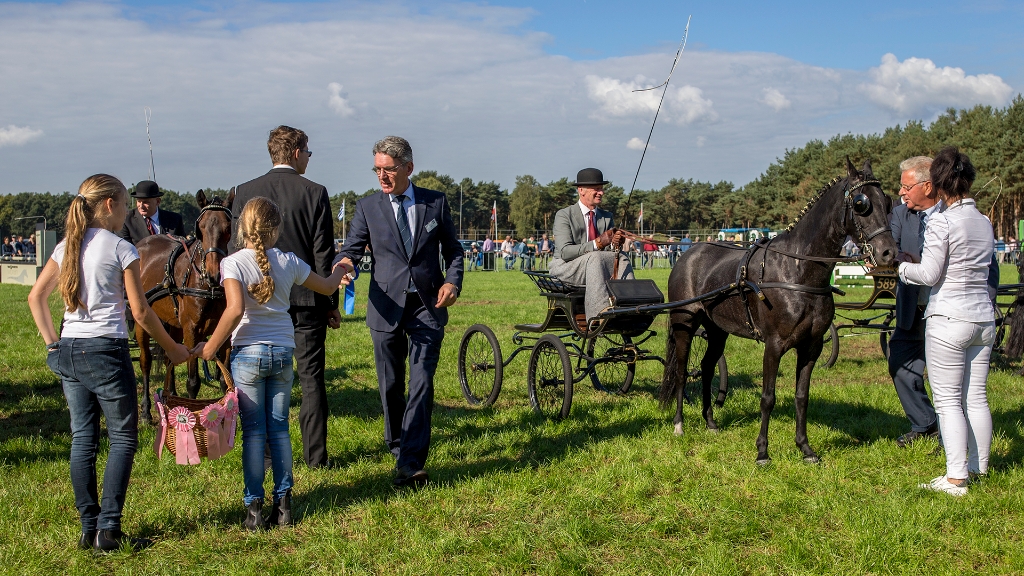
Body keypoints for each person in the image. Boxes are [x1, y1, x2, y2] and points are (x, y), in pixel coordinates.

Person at [27, 174, 191, 552]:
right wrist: (173, 348)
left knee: (83, 439)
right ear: (109, 204)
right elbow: (141, 312)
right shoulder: (120, 247)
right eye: (124, 205)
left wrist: (53, 346)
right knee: (122, 438)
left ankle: (89, 528)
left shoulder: (66, 246)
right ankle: (109, 529)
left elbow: (36, 297)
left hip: (70, 348)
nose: (126, 214)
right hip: (106, 351)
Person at [193, 197, 347, 530]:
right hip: (282, 352)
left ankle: (254, 509)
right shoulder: (289, 260)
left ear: (242, 228)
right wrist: (340, 269)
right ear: (275, 230)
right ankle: (284, 505)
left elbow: (235, 310)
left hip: (248, 354)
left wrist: (210, 347)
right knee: (279, 431)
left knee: (254, 434)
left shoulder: (232, 263)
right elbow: (326, 286)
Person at [335, 136, 463, 487]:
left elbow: (454, 251)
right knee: (391, 384)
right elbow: (351, 250)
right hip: (386, 306)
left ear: (408, 167)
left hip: (427, 306)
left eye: (389, 169)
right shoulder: (368, 207)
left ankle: (411, 461)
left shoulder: (435, 202)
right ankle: (396, 445)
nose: (382, 176)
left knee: (421, 382)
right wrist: (343, 266)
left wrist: (452, 282)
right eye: (377, 170)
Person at [231, 126, 339, 469]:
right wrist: (331, 304)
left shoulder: (244, 191)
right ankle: (316, 457)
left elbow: (237, 251)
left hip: (257, 304)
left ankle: (264, 457)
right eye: (308, 152)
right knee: (311, 380)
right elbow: (323, 256)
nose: (309, 158)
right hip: (307, 300)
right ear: (295, 152)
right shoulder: (315, 192)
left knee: (259, 385)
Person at [897, 147, 999, 497]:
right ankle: (979, 467)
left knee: (947, 401)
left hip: (949, 318)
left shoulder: (942, 221)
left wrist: (900, 268)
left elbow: (929, 274)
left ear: (937, 184)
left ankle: (956, 478)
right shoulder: (984, 221)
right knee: (976, 398)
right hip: (983, 319)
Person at [887, 156, 941, 448]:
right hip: (912, 305)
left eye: (906, 187)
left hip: (945, 310)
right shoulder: (900, 213)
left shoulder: (953, 214)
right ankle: (925, 424)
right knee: (899, 363)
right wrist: (897, 257)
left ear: (928, 186)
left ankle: (954, 435)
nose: (901, 193)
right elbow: (889, 247)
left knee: (947, 376)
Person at [548, 168, 632, 325]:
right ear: (581, 190)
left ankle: (630, 306)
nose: (601, 193)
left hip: (594, 266)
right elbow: (565, 252)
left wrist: (615, 245)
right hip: (565, 267)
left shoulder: (607, 217)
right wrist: (597, 243)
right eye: (597, 189)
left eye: (602, 188)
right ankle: (598, 314)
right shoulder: (564, 215)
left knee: (622, 257)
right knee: (595, 257)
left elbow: (608, 253)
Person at [117, 180, 185, 244]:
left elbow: (182, 246)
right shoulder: (126, 220)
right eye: (139, 201)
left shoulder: (175, 219)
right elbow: (125, 249)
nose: (141, 206)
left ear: (157, 201)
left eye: (145, 202)